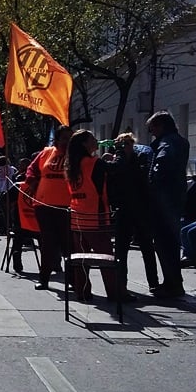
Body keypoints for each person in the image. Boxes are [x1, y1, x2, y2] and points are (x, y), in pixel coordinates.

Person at [66, 129, 121, 301]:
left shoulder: (71, 165)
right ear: (84, 144)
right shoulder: (93, 163)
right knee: (106, 256)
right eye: (92, 139)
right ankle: (113, 293)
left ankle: (82, 292)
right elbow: (116, 169)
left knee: (81, 258)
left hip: (76, 216)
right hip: (94, 217)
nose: (96, 141)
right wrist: (121, 151)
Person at [105, 132, 159, 294]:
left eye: (128, 143)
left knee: (147, 248)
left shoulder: (140, 159)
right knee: (121, 249)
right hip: (124, 209)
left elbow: (140, 179)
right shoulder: (117, 161)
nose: (125, 147)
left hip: (141, 209)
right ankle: (122, 282)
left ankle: (153, 282)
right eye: (121, 144)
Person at [146, 111, 189, 297]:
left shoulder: (167, 143)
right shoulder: (181, 141)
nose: (151, 132)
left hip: (163, 200)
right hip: (175, 197)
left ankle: (172, 283)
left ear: (161, 126)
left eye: (153, 128)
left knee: (164, 243)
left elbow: (162, 164)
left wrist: (151, 180)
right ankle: (173, 281)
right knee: (170, 241)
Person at [27, 125, 73, 290]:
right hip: (44, 205)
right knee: (48, 244)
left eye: (70, 138)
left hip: (67, 207)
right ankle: (44, 279)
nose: (67, 142)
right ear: (57, 139)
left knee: (68, 245)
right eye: (64, 138)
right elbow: (31, 169)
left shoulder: (76, 156)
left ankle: (73, 280)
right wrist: (32, 181)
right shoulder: (46, 153)